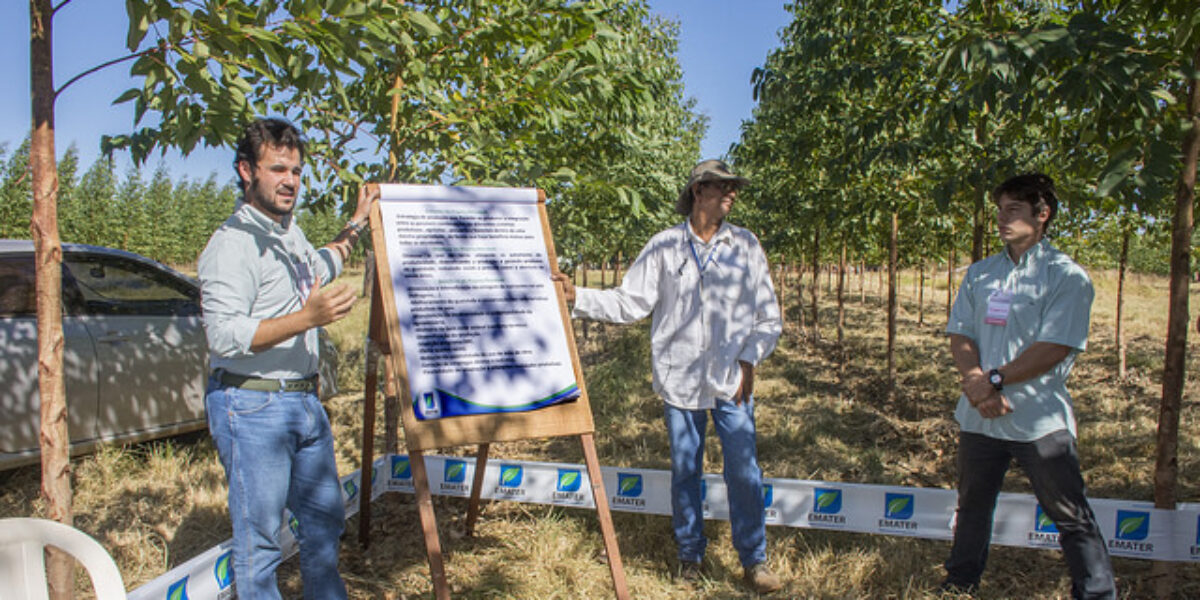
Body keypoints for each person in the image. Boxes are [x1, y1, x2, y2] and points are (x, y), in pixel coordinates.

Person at [553, 159, 783, 594]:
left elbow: (768, 317)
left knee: (744, 471)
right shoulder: (663, 248)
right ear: (699, 191)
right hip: (680, 380)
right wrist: (576, 296)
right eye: (723, 186)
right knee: (684, 470)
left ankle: (754, 560)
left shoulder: (746, 246)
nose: (732, 193)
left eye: (735, 187)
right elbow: (630, 302)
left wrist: (749, 363)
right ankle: (690, 554)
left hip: (730, 381)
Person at [198, 117, 377, 599]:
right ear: (245, 171)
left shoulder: (287, 235)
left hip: (302, 403)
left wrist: (355, 225)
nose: (290, 181)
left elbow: (321, 262)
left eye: (296, 171)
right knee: (258, 546)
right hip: (252, 407)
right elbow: (223, 335)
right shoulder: (233, 245)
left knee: (323, 520)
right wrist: (306, 318)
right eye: (277, 169)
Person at [942, 173, 1115, 599]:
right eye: (999, 209)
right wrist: (975, 382)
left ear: (1042, 215)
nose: (1002, 218)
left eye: (1014, 210)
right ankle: (960, 583)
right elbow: (960, 333)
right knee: (972, 507)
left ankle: (1095, 592)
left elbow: (1055, 346)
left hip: (1037, 419)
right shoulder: (981, 273)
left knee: (1070, 513)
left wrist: (994, 380)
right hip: (980, 416)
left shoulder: (1066, 277)